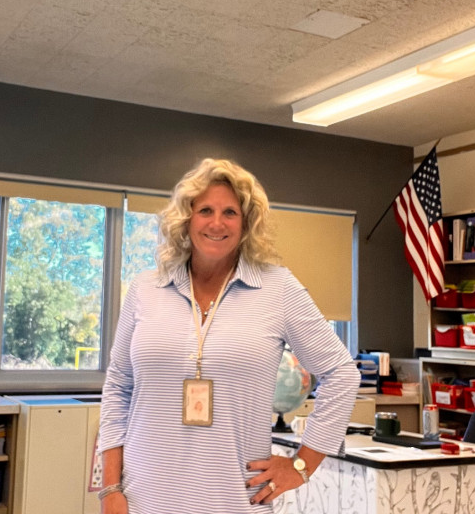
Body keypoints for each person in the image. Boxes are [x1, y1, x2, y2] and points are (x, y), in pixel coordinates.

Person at [99, 158, 360, 514]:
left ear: (247, 223)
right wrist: (110, 488)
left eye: (230, 213)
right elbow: (118, 386)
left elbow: (342, 374)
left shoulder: (278, 288)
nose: (217, 223)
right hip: (144, 500)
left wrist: (302, 465)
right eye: (205, 210)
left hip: (236, 501)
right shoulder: (146, 288)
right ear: (187, 218)